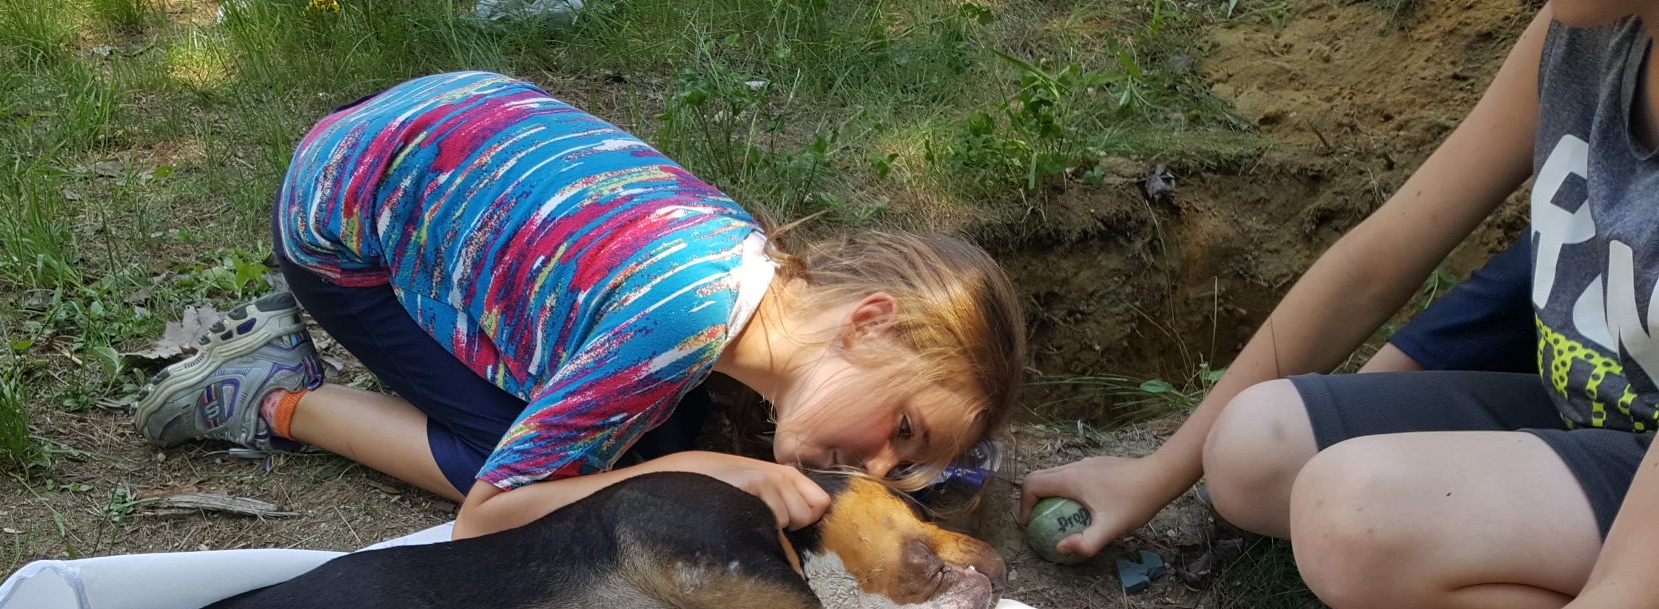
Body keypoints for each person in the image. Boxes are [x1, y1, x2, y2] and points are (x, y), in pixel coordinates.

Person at [1021, 0, 1659, 609]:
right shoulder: (1581, 33)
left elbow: (1636, 603)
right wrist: (1162, 470)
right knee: (1255, 449)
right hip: (1605, 422)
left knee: (1354, 518)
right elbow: (1376, 261)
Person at [136, 71, 1025, 539]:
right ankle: (276, 394)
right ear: (867, 321)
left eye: (904, 465)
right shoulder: (672, 328)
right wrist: (694, 473)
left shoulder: (745, 275)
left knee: (646, 440)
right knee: (529, 468)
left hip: (438, 115)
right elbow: (487, 520)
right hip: (339, 222)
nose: (875, 466)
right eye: (901, 430)